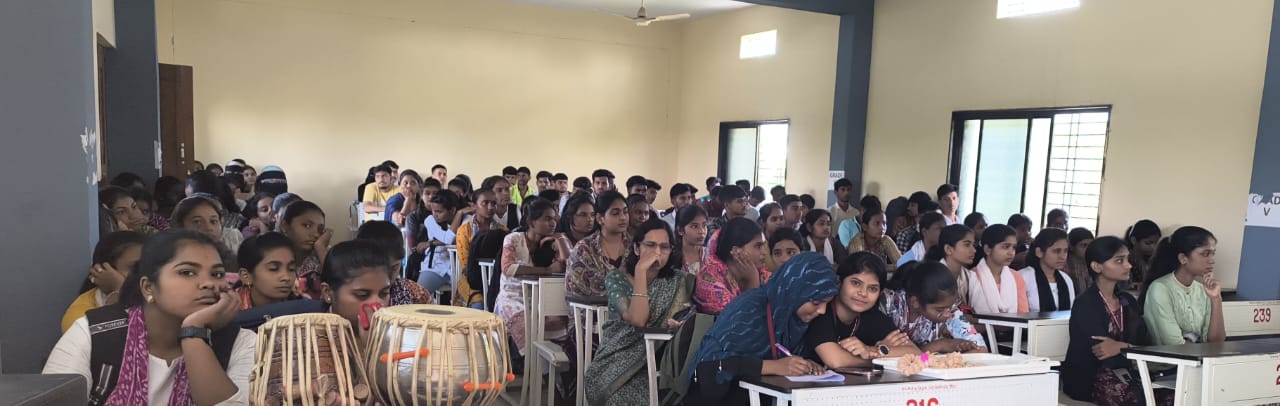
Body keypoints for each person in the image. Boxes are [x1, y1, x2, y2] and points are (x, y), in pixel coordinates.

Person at [44, 229, 256, 405]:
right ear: (148, 287)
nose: (209, 283)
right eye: (187, 272)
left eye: (217, 274)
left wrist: (194, 331)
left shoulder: (241, 342)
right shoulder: (95, 333)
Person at [686, 253, 836, 404]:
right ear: (794, 291)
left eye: (827, 303)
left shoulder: (799, 322)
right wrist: (773, 366)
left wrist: (804, 364)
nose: (822, 311)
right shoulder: (750, 309)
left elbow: (787, 358)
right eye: (816, 302)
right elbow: (713, 367)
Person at [583, 219, 696, 405]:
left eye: (664, 247)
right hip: (614, 365)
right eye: (650, 245)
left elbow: (688, 317)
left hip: (662, 365)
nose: (657, 253)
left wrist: (682, 324)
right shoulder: (617, 278)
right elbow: (638, 319)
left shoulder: (679, 281)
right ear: (636, 248)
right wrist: (641, 272)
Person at [1062, 236, 1171, 405]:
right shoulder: (1086, 303)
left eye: (1127, 259)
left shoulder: (1127, 300)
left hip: (1130, 372)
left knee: (1171, 396)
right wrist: (1132, 350)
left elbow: (1144, 341)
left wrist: (1123, 347)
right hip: (1092, 377)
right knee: (1133, 399)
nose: (1128, 265)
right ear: (1096, 266)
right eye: (1119, 261)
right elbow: (1102, 352)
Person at [493, 199, 575, 397]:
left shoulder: (552, 242)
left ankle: (561, 382)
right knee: (527, 326)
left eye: (554, 219)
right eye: (547, 219)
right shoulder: (513, 239)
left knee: (563, 326)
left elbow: (571, 264)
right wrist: (546, 270)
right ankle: (549, 384)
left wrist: (561, 239)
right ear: (531, 221)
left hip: (542, 298)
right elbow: (509, 268)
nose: (552, 223)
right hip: (512, 298)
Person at [806, 252, 920, 369]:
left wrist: (872, 350)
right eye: (856, 283)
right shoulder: (822, 311)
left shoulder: (872, 316)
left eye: (872, 288)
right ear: (839, 282)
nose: (863, 293)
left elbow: (916, 352)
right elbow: (836, 361)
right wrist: (875, 361)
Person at [1141, 226, 1225, 346]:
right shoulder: (1160, 288)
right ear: (1183, 258)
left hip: (1200, 361)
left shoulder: (1203, 290)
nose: (1212, 260)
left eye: (1213, 254)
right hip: (1169, 364)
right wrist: (1205, 353)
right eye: (1205, 254)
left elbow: (1216, 342)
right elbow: (1174, 344)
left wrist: (1216, 299)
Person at [881, 261, 988, 353]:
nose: (948, 314)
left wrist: (960, 353)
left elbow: (981, 349)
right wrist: (939, 345)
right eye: (940, 310)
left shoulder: (951, 311)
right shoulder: (890, 304)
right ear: (915, 302)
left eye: (950, 307)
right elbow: (888, 354)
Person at [62, 231, 147, 333]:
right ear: (102, 270)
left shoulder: (157, 295)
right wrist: (121, 291)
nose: (146, 273)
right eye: (135, 267)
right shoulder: (80, 316)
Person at [318, 240, 393, 343]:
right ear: (327, 293)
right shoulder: (311, 343)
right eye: (362, 295)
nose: (377, 305)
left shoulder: (398, 335)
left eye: (384, 293)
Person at [694, 218, 770, 314]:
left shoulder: (763, 275)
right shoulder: (709, 282)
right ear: (736, 252)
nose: (764, 252)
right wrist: (752, 282)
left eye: (764, 246)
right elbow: (740, 321)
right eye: (758, 246)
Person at [567, 191, 631, 297]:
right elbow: (585, 288)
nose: (623, 217)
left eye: (625, 212)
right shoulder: (584, 249)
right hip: (591, 310)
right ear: (600, 219)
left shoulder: (635, 246)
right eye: (615, 213)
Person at [354, 220, 430, 306]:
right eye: (379, 270)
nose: (387, 277)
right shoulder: (351, 295)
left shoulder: (417, 295)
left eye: (394, 268)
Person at [453, 189, 506, 308]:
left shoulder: (503, 231)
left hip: (498, 281)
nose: (490, 207)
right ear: (474, 206)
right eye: (485, 203)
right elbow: (466, 267)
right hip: (472, 282)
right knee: (480, 305)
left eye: (493, 203)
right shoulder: (464, 230)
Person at [277, 201, 333, 299]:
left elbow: (338, 286)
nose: (315, 234)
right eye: (307, 226)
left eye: (320, 229)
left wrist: (320, 249)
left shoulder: (324, 257)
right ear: (284, 226)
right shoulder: (270, 254)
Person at [968, 224, 1029, 314]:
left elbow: (1023, 314)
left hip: (1014, 327)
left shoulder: (1016, 277)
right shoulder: (972, 277)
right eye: (1005, 247)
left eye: (1013, 247)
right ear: (987, 249)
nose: (1011, 252)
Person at [235, 232, 299, 310]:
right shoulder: (227, 313)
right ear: (246, 276)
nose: (286, 277)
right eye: (273, 269)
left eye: (291, 269)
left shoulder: (303, 310)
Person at [1018, 228, 1075, 312]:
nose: (1062, 257)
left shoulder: (1066, 279)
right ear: (1039, 252)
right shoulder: (1024, 277)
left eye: (1065, 251)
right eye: (1056, 251)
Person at [417, 190, 464, 292]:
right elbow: (449, 239)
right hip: (436, 266)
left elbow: (458, 239)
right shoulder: (430, 220)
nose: (435, 215)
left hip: (459, 268)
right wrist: (460, 213)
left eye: (439, 211)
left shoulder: (466, 219)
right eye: (433, 210)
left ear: (452, 210)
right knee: (419, 295)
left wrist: (432, 243)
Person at [922, 224, 978, 307]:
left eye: (973, 245)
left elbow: (977, 308)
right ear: (948, 249)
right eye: (967, 245)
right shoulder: (933, 277)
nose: (974, 250)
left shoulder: (970, 276)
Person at [171, 195, 243, 254]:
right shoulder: (170, 258)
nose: (209, 228)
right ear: (180, 226)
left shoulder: (231, 258)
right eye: (197, 222)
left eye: (213, 221)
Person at [846, 205, 901, 272]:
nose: (882, 227)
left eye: (884, 223)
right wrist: (886, 267)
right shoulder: (857, 241)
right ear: (864, 227)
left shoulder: (885, 239)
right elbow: (860, 267)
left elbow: (901, 263)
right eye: (877, 223)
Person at [1125, 219, 1162, 291]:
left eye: (1156, 243)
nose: (1154, 248)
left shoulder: (1152, 259)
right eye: (1148, 243)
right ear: (1134, 240)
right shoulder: (1126, 259)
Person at [675, 205, 709, 275]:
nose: (702, 231)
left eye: (704, 225)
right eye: (695, 226)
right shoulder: (671, 258)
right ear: (680, 230)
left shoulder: (711, 255)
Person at [1068, 227, 1096, 294]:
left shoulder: (1095, 265)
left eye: (1091, 245)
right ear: (1071, 247)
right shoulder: (1065, 266)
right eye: (1084, 245)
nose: (1088, 249)